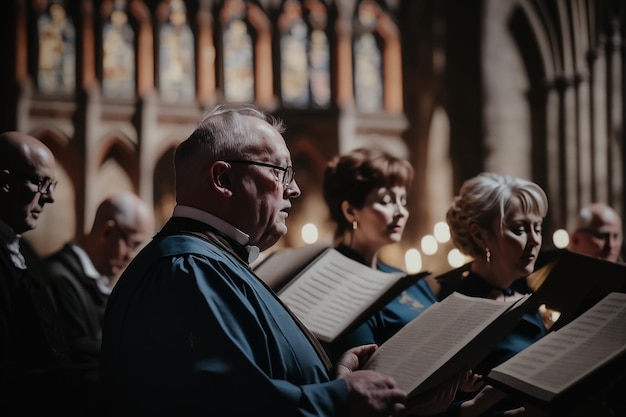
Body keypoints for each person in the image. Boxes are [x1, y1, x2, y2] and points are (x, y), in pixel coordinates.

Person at [100, 103, 408, 416]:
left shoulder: (214, 262)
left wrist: (336, 378)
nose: (295, 189)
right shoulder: (186, 272)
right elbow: (227, 405)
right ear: (223, 179)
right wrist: (339, 399)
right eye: (281, 172)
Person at [320, 148, 480, 416]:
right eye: (386, 201)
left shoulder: (405, 279)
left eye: (403, 200)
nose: (400, 212)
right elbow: (367, 379)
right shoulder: (341, 284)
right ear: (350, 211)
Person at [443, 172, 550, 416]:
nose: (534, 240)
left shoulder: (528, 301)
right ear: (480, 235)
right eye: (520, 229)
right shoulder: (456, 306)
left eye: (537, 228)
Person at [0, 131, 82, 416]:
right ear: (5, 182)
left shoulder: (26, 256)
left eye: (53, 184)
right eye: (39, 182)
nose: (50, 197)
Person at [45, 191, 154, 363]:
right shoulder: (59, 278)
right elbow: (78, 356)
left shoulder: (101, 281)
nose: (131, 256)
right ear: (108, 231)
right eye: (132, 244)